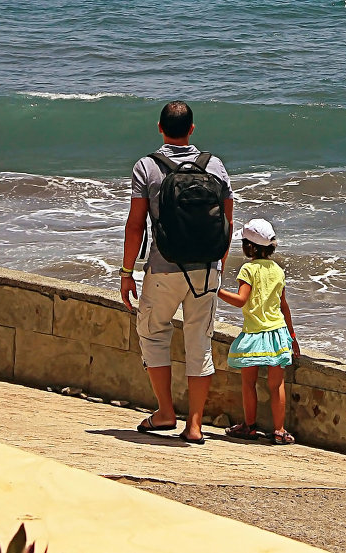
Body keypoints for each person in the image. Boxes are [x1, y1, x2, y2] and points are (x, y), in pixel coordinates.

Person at [120, 100, 233, 445]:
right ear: (192, 129)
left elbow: (135, 225)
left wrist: (127, 272)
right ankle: (195, 425)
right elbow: (228, 222)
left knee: (153, 333)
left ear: (160, 127)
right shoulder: (214, 165)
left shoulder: (147, 167)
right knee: (199, 342)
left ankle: (165, 412)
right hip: (206, 270)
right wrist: (219, 267)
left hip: (164, 266)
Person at [217, 218, 300, 444]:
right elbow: (284, 306)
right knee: (276, 385)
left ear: (250, 247)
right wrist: (292, 337)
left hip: (254, 334)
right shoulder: (278, 270)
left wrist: (216, 291)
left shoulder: (248, 269)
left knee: (248, 383)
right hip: (277, 333)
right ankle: (280, 431)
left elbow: (241, 300)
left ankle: (250, 426)